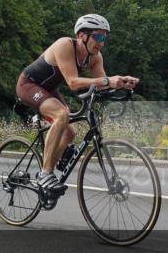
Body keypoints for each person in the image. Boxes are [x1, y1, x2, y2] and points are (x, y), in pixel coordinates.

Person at [16, 14, 138, 196]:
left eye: (104, 38)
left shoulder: (95, 57)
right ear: (82, 35)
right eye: (98, 37)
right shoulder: (65, 45)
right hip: (28, 85)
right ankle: (45, 175)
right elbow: (73, 82)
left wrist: (120, 84)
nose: (101, 42)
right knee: (62, 115)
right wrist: (108, 81)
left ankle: (45, 176)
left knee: (70, 132)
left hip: (50, 90)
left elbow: (102, 85)